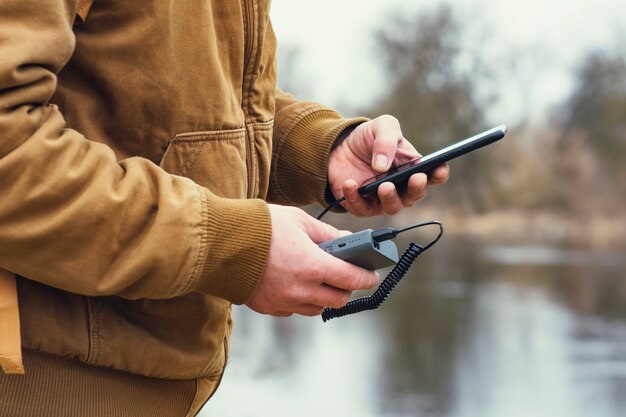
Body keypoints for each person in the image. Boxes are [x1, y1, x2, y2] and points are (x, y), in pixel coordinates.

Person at [0, 0, 449, 416]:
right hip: (40, 383)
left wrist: (322, 150)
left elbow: (204, 108)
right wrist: (237, 247)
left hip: (154, 380)